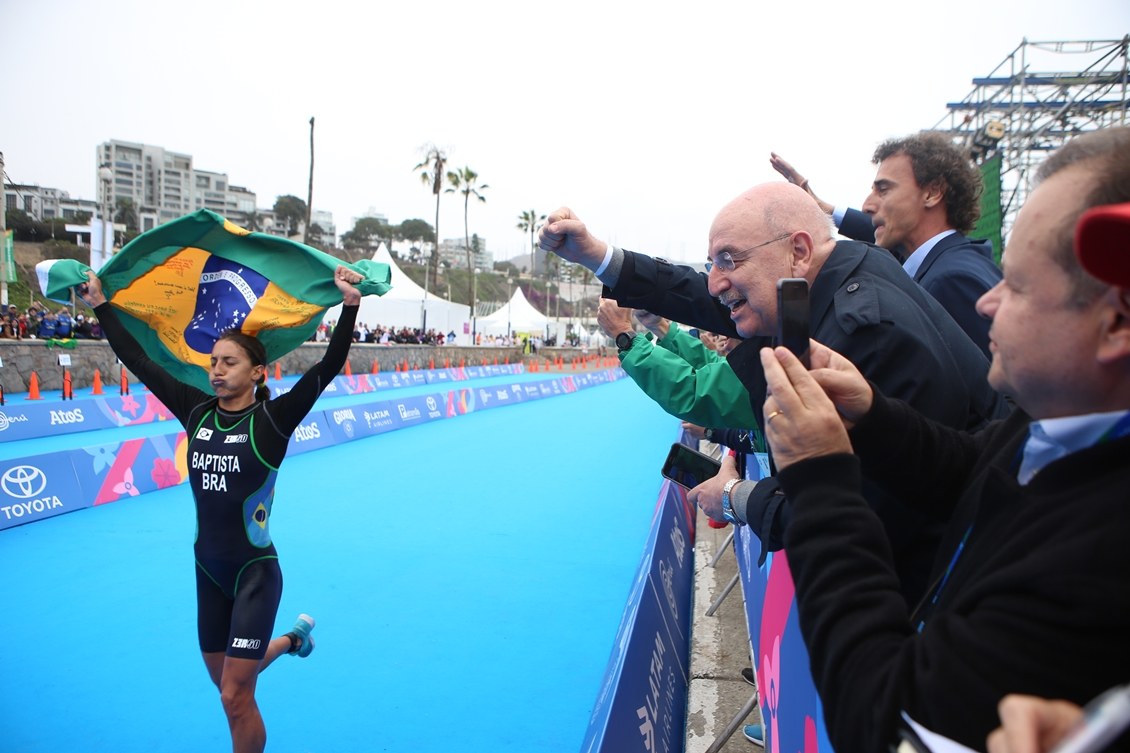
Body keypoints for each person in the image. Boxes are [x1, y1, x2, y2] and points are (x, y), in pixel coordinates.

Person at [749, 126, 1130, 752]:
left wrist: (819, 481)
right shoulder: (1057, 423)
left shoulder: (1100, 563)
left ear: (1115, 322)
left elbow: (880, 718)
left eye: (1018, 285)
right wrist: (872, 415)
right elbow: (977, 467)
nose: (987, 303)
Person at [539, 181, 1006, 602]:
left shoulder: (861, 332)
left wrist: (735, 496)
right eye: (712, 263)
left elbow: (843, 524)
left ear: (798, 251)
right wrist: (596, 254)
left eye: (729, 260)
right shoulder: (837, 274)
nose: (716, 282)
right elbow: (706, 294)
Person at [78, 264, 366, 753]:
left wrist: (350, 306)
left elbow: (327, 366)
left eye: (228, 362)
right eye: (213, 362)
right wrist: (101, 304)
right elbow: (140, 361)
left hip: (255, 572)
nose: (216, 370)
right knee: (229, 686)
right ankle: (294, 641)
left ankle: (287, 646)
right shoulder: (195, 410)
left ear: (257, 372)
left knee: (236, 695)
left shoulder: (273, 420)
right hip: (207, 571)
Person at [771, 134, 1003, 357]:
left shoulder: (950, 280)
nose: (867, 205)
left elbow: (994, 392)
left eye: (883, 190)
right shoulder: (943, 261)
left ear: (932, 193)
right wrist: (823, 210)